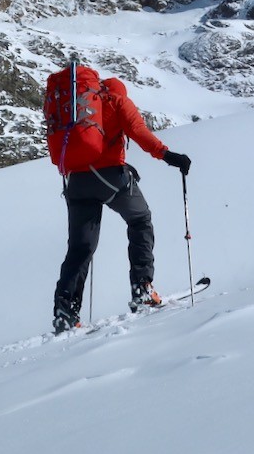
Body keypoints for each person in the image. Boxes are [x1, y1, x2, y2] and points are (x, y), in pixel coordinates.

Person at [52, 76, 192, 333]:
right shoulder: (118, 101)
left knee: (81, 247)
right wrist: (169, 157)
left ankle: (65, 311)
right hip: (111, 179)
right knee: (140, 219)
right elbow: (138, 133)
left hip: (76, 182)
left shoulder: (79, 108)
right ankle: (142, 288)